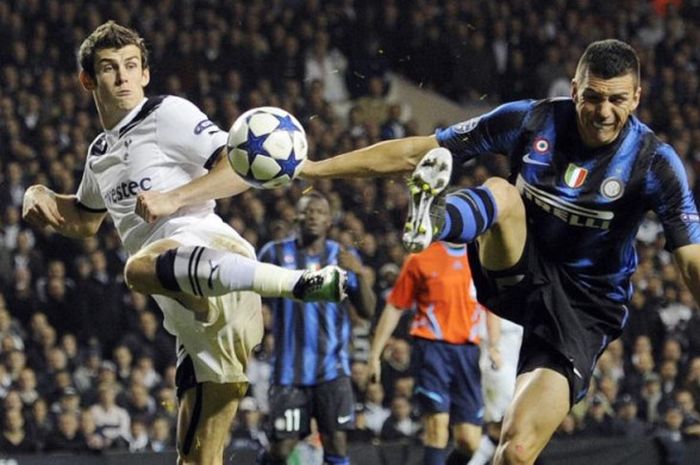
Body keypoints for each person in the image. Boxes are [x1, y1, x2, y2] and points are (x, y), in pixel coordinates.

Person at [300, 39, 700, 465]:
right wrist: (316, 169)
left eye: (617, 99)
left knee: (517, 452)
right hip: (517, 268)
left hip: (584, 310)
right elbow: (416, 151)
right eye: (593, 97)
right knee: (503, 194)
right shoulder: (532, 120)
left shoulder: (655, 162)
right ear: (574, 88)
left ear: (637, 96)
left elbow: (690, 259)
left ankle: (438, 216)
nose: (603, 112)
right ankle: (433, 219)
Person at [21, 21, 347, 465]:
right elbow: (85, 220)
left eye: (131, 66)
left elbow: (238, 170)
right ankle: (204, 300)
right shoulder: (100, 152)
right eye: (110, 68)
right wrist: (37, 193)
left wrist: (173, 197)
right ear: (87, 80)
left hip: (210, 249)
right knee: (196, 459)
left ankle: (296, 283)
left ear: (145, 74)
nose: (122, 77)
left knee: (135, 268)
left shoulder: (167, 113)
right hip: (185, 307)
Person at [257, 192, 376, 465]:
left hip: (332, 369)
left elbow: (368, 310)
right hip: (288, 371)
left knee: (336, 442)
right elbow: (253, 299)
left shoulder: (342, 256)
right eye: (307, 210)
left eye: (320, 212)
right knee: (281, 449)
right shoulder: (273, 253)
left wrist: (358, 273)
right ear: (296, 216)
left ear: (329, 221)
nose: (313, 216)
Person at [369, 241, 484, 465]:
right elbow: (395, 306)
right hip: (432, 348)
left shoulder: (481, 256)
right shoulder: (420, 258)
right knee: (437, 429)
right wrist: (375, 354)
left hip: (468, 352)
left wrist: (496, 345)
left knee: (469, 442)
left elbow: (491, 305)